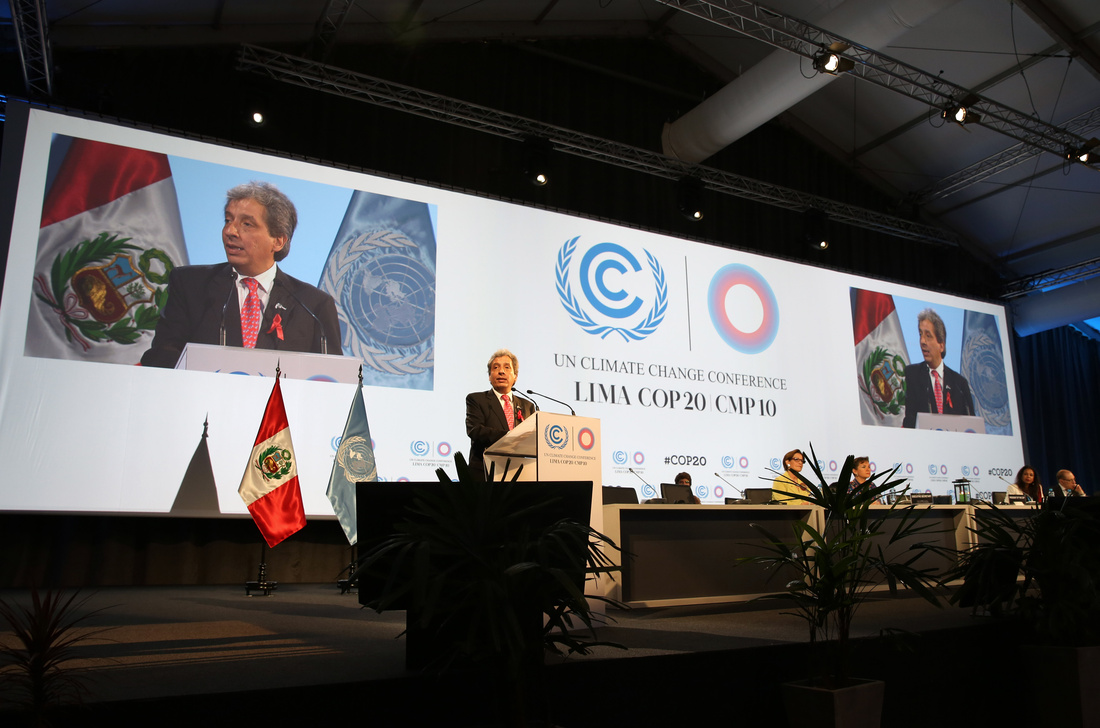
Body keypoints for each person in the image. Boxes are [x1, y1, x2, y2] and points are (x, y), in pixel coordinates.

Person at [141, 181, 341, 368]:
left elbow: (330, 377)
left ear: (278, 241)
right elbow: (162, 356)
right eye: (228, 220)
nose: (230, 231)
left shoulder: (313, 305)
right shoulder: (190, 285)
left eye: (247, 224)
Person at [465, 349, 535, 481]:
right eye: (496, 367)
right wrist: (510, 436)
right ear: (489, 376)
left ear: (515, 376)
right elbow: (475, 430)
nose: (501, 371)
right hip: (485, 473)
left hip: (518, 473)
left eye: (507, 367)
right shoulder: (477, 400)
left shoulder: (528, 405)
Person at [902, 308, 975, 428]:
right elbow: (909, 421)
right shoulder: (912, 375)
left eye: (928, 336)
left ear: (941, 345)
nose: (922, 341)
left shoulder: (960, 384)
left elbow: (971, 426)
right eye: (920, 334)